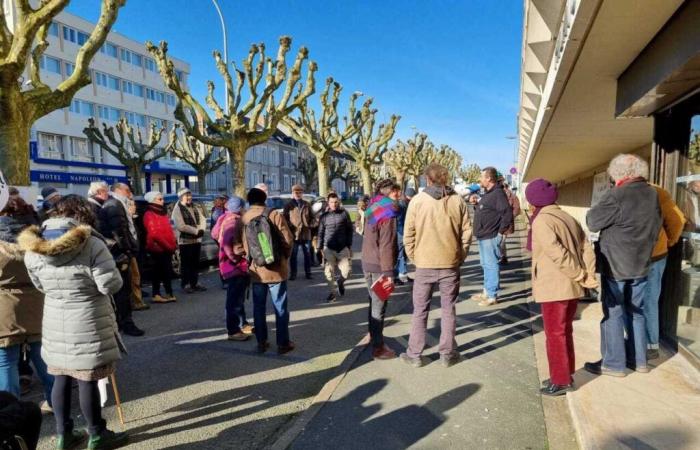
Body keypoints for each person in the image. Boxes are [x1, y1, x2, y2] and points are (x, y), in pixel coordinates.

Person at [19, 195, 128, 449]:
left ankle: (63, 435)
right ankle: (96, 434)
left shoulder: (34, 245)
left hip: (55, 317)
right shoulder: (91, 244)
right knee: (87, 377)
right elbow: (109, 285)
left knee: (61, 376)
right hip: (88, 318)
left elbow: (39, 285)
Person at [585, 154, 662, 377]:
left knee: (613, 313)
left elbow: (593, 221)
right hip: (641, 263)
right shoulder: (652, 193)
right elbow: (657, 226)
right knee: (637, 314)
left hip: (616, 266)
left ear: (618, 173)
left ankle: (614, 364)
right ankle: (639, 362)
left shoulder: (617, 194)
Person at [525, 179, 598, 395]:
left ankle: (561, 380)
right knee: (564, 331)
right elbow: (588, 248)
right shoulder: (568, 217)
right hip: (571, 285)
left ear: (533, 200)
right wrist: (586, 274)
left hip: (554, 285)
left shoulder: (541, 221)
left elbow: (556, 253)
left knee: (555, 334)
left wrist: (580, 274)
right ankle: (565, 374)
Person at [401, 165, 472, 368]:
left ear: (428, 179)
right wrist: (460, 255)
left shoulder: (418, 201)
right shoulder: (457, 200)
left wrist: (415, 258)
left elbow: (409, 235)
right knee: (448, 308)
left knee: (420, 310)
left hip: (424, 264)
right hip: (450, 263)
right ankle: (447, 353)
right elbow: (466, 233)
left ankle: (414, 354)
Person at [0, 195, 54, 412]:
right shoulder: (37, 239)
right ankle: (55, 401)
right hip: (38, 302)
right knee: (44, 356)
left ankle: (8, 411)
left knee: (5, 361)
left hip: (4, 307)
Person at [241, 187, 295, 354]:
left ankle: (262, 342)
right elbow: (288, 239)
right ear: (265, 199)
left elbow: (241, 245)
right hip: (276, 269)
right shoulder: (273, 214)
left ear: (249, 200)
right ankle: (283, 343)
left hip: (257, 270)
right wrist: (285, 258)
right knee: (280, 308)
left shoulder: (244, 217)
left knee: (258, 308)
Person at [644, 185, 684, 360]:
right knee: (649, 300)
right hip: (655, 254)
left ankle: (645, 344)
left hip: (638, 257)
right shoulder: (658, 191)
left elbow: (678, 220)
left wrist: (669, 241)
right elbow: (678, 220)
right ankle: (650, 345)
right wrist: (668, 241)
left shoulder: (655, 192)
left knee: (639, 301)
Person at [362, 179, 400, 360]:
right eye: (395, 193)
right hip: (379, 265)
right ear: (388, 193)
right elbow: (387, 244)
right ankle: (378, 347)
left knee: (373, 303)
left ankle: (373, 337)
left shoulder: (373, 206)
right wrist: (389, 273)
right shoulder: (388, 211)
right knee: (379, 307)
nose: (398, 196)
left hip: (368, 262)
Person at [99, 183, 144, 337]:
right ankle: (126, 323)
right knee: (123, 290)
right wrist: (128, 250)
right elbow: (119, 231)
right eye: (127, 190)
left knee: (125, 289)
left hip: (122, 252)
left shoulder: (119, 204)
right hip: (120, 254)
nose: (130, 193)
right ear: (117, 191)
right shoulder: (114, 205)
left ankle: (123, 321)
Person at [212, 196, 254, 341]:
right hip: (234, 267)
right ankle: (233, 330)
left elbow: (214, 234)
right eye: (244, 207)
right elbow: (228, 246)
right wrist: (239, 259)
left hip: (228, 266)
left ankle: (241, 325)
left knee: (237, 298)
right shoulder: (234, 222)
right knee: (234, 300)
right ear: (240, 208)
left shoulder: (224, 218)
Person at [469, 167, 513, 306]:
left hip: (491, 235)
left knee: (491, 265)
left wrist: (500, 232)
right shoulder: (489, 193)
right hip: (483, 235)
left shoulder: (498, 193)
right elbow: (487, 211)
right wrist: (477, 205)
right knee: (485, 265)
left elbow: (507, 213)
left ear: (489, 178)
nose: (480, 179)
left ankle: (492, 295)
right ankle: (487, 291)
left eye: (482, 177)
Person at [318, 193, 354, 303]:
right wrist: (319, 248)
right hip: (328, 248)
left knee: (347, 272)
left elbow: (349, 230)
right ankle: (332, 293)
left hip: (342, 248)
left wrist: (349, 245)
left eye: (336, 202)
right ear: (328, 203)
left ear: (338, 202)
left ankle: (340, 282)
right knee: (329, 272)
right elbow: (320, 232)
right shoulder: (324, 216)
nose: (334, 204)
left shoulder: (344, 214)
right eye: (332, 202)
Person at [143, 191, 177, 304]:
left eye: (162, 199)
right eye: (160, 199)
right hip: (157, 247)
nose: (163, 201)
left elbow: (168, 230)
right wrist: (168, 245)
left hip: (166, 247)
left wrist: (172, 243)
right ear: (152, 200)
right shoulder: (149, 213)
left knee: (167, 271)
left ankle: (169, 292)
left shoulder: (162, 212)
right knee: (157, 271)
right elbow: (154, 233)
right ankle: (156, 293)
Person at [171, 187, 207, 294]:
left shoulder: (194, 207)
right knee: (186, 264)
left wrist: (201, 229)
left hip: (196, 240)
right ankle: (185, 284)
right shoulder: (177, 209)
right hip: (185, 240)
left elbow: (202, 219)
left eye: (190, 195)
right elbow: (181, 226)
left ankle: (194, 283)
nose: (189, 198)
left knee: (195, 263)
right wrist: (196, 231)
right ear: (181, 197)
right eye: (187, 196)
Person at [283, 185, 313, 280]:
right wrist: (291, 226)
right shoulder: (288, 205)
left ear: (302, 194)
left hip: (305, 234)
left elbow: (313, 217)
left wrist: (310, 225)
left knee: (307, 255)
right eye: (296, 192)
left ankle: (308, 273)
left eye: (300, 192)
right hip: (294, 234)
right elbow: (284, 219)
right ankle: (293, 274)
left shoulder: (307, 204)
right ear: (292, 193)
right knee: (293, 255)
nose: (298, 194)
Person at [126, 196, 149, 311]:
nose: (135, 207)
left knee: (138, 274)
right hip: (131, 251)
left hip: (138, 248)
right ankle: (135, 301)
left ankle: (138, 299)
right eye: (132, 205)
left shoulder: (135, 218)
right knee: (133, 276)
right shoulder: (126, 220)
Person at [395, 188, 416, 284]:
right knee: (401, 254)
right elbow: (400, 221)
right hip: (401, 233)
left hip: (402, 232)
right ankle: (401, 274)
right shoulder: (403, 205)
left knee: (402, 254)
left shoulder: (404, 203)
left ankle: (401, 274)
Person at [499, 182, 521, 265]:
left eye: (503, 187)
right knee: (499, 241)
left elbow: (517, 209)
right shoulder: (498, 196)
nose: (502, 189)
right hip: (496, 222)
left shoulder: (513, 197)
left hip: (506, 223)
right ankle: (502, 256)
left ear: (506, 187)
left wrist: (510, 217)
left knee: (502, 241)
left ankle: (503, 257)